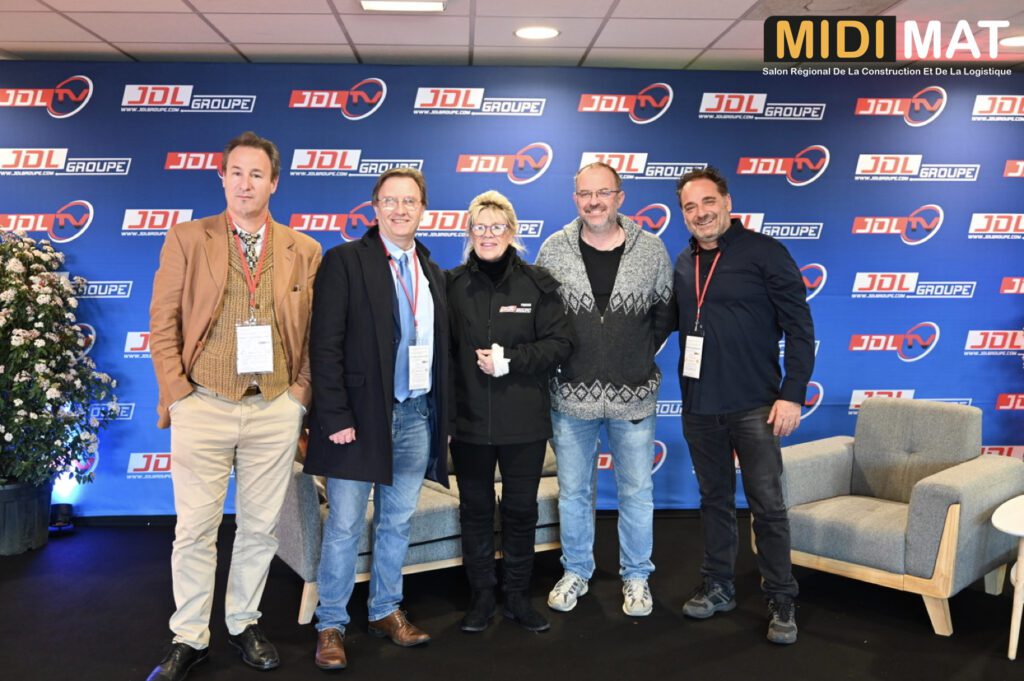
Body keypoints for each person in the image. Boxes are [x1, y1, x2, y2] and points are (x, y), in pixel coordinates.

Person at [147, 131, 322, 681]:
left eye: (257, 175)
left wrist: (299, 396)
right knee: (194, 530)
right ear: (221, 178)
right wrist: (179, 396)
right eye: (236, 173)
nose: (246, 184)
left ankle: (244, 622)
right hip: (202, 404)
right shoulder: (187, 238)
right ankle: (190, 636)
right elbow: (163, 323)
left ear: (274, 183)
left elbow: (315, 335)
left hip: (274, 408)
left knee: (260, 529)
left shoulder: (303, 249)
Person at [303, 167, 451, 670]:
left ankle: (386, 609)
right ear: (375, 208)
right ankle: (330, 623)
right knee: (345, 525)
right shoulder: (345, 260)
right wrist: (335, 415)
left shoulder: (430, 269)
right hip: (360, 420)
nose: (400, 209)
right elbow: (324, 345)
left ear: (423, 210)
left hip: (416, 415)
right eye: (390, 200)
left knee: (397, 522)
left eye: (410, 201)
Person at [673, 167, 814, 645]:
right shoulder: (683, 263)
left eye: (708, 202)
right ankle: (718, 585)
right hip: (699, 406)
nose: (700, 213)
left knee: (767, 506)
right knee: (713, 500)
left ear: (727, 202)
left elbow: (800, 328)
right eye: (690, 207)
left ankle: (781, 597)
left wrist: (792, 393)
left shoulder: (765, 252)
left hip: (756, 404)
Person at [536, 161, 676, 618]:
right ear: (575, 198)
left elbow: (664, 315)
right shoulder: (553, 249)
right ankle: (576, 570)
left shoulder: (650, 249)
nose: (593, 202)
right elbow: (543, 320)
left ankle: (636, 576)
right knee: (575, 493)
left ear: (619, 197)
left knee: (636, 492)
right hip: (569, 396)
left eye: (602, 193)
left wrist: (631, 356)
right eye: (585, 194)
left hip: (633, 395)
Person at [446, 190, 575, 633]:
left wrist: (511, 360)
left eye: (497, 226)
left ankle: (518, 597)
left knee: (521, 511)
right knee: (476, 510)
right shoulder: (450, 285)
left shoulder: (538, 284)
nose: (488, 235)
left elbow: (561, 344)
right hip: (468, 424)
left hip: (524, 423)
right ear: (469, 233)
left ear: (512, 231)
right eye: (480, 227)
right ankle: (482, 597)